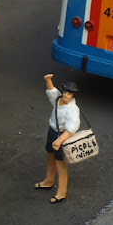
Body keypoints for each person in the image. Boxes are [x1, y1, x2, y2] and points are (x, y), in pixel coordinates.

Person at [34, 74, 80, 204]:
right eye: (65, 92)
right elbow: (52, 93)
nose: (65, 95)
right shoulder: (59, 99)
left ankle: (62, 192)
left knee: (61, 163)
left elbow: (72, 127)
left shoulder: (72, 110)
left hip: (62, 136)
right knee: (50, 156)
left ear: (73, 96)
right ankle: (49, 180)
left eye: (69, 94)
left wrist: (60, 140)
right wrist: (48, 81)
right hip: (52, 131)